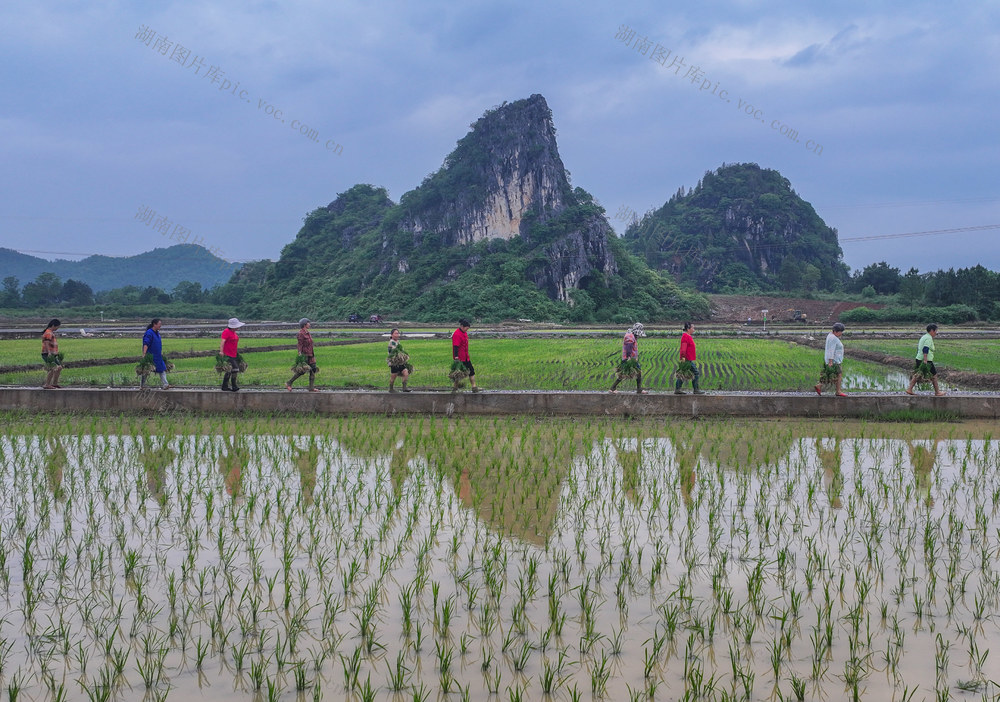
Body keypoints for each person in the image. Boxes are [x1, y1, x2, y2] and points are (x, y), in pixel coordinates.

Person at [906, 323, 945, 396]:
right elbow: (925, 348)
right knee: (934, 375)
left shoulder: (924, 337)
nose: (936, 333)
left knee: (918, 374)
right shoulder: (928, 338)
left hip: (919, 358)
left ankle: (909, 389)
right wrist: (925, 360)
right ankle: (937, 392)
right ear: (932, 331)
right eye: (936, 331)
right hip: (926, 360)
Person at [610, 323, 647, 394]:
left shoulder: (632, 335)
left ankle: (613, 388)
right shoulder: (630, 336)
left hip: (631, 359)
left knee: (627, 373)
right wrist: (628, 358)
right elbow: (628, 347)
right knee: (629, 373)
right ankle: (613, 388)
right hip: (629, 359)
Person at [814, 322, 847, 397]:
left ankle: (819, 385)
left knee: (830, 375)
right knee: (839, 374)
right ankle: (838, 391)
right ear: (835, 331)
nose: (841, 333)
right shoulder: (833, 338)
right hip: (834, 361)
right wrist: (830, 361)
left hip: (833, 360)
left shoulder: (830, 335)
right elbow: (831, 350)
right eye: (840, 332)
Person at [286, 318, 319, 392]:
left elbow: (310, 344)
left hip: (311, 354)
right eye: (308, 323)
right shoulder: (301, 333)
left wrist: (313, 355)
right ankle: (289, 383)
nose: (309, 324)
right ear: (305, 324)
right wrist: (300, 354)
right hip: (305, 355)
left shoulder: (308, 333)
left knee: (313, 369)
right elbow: (299, 344)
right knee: (302, 371)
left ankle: (311, 387)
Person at [675, 322, 704, 395]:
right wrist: (683, 358)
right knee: (696, 372)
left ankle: (678, 389)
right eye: (693, 328)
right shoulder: (686, 337)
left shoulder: (687, 336)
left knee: (683, 373)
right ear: (688, 329)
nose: (694, 330)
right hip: (687, 359)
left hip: (688, 359)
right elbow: (683, 348)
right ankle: (696, 389)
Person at [141, 318, 170, 389]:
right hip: (151, 355)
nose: (160, 326)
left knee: (162, 369)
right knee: (146, 371)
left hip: (158, 356)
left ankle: (165, 384)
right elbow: (146, 343)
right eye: (159, 324)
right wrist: (144, 354)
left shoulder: (157, 333)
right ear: (154, 324)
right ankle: (142, 385)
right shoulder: (149, 333)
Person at [452, 318, 479, 392]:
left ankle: (474, 387)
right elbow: (455, 346)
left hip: (466, 357)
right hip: (460, 358)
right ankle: (455, 388)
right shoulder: (457, 334)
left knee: (471, 371)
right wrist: (456, 357)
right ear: (462, 326)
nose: (467, 330)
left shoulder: (464, 333)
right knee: (458, 374)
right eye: (466, 328)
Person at [220, 317, 245, 392]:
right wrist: (221, 351)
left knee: (230, 370)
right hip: (227, 354)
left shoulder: (234, 333)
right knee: (235, 368)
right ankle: (234, 385)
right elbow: (222, 342)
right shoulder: (226, 331)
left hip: (233, 353)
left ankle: (225, 386)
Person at [387, 327, 410, 392]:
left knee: (406, 372)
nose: (397, 335)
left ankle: (404, 388)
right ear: (392, 335)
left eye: (398, 333)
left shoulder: (397, 341)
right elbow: (396, 351)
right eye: (396, 333)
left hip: (400, 362)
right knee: (393, 376)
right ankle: (391, 389)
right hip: (394, 362)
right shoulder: (392, 342)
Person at [41, 318, 62, 389]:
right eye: (57, 327)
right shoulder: (48, 332)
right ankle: (47, 384)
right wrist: (49, 353)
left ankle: (54, 383)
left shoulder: (50, 332)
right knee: (53, 368)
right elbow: (46, 343)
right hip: (47, 354)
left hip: (52, 354)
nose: (57, 329)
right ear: (53, 325)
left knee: (59, 367)